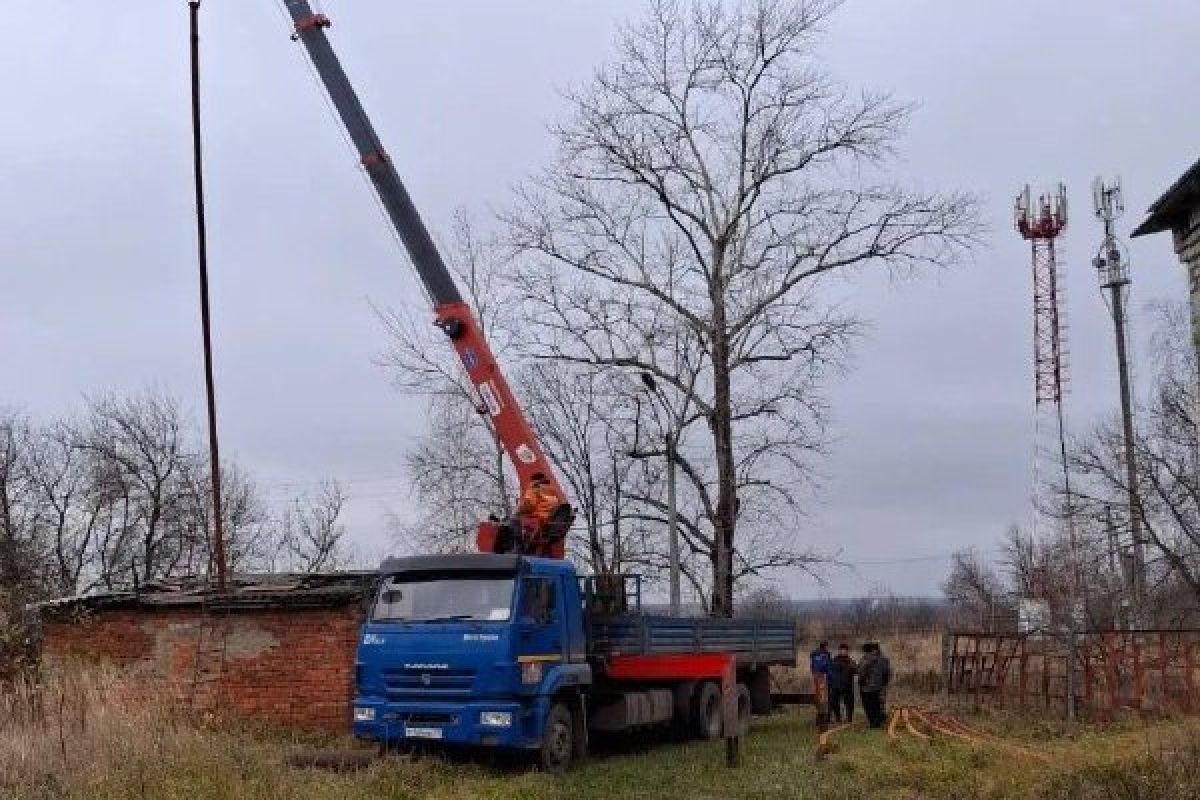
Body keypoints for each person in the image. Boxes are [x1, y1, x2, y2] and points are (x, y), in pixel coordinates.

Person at [858, 642, 892, 729]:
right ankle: (878, 722)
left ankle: (873, 723)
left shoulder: (864, 659)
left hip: (866, 687)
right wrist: (884, 684)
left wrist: (861, 683)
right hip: (878, 687)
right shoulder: (884, 660)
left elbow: (861, 673)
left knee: (869, 707)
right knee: (877, 705)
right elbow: (887, 673)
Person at [828, 643, 857, 723]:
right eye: (842, 650)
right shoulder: (834, 660)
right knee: (834, 703)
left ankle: (849, 719)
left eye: (845, 650)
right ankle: (838, 718)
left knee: (849, 704)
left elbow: (856, 671)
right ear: (839, 651)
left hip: (847, 686)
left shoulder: (850, 661)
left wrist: (851, 666)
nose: (843, 651)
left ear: (847, 651)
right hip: (836, 686)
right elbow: (829, 671)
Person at [809, 641, 832, 730]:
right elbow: (827, 667)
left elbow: (812, 667)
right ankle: (822, 724)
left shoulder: (814, 655)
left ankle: (818, 720)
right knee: (823, 700)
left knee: (818, 698)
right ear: (825, 647)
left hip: (815, 677)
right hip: (822, 678)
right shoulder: (825, 655)